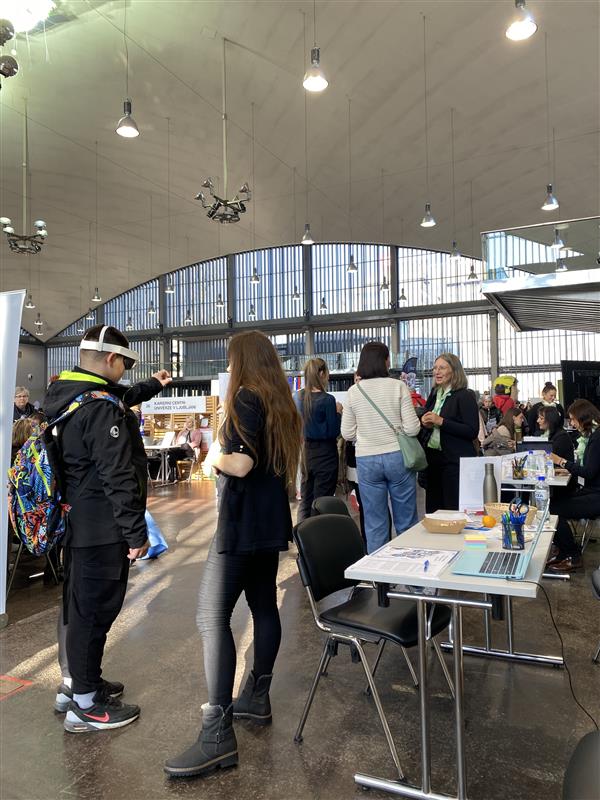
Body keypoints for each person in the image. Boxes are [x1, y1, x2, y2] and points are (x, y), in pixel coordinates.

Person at [164, 331, 302, 778]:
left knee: (211, 617)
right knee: (263, 605)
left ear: (242, 361)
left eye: (230, 359)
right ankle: (257, 697)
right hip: (269, 522)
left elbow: (240, 464)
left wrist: (213, 459)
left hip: (242, 525)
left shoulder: (245, 397)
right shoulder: (280, 402)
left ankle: (217, 735)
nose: (228, 365)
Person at [44, 324, 171, 733]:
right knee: (94, 612)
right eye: (125, 365)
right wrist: (136, 534)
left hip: (80, 522)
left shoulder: (70, 394)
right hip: (103, 527)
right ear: (112, 359)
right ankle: (85, 705)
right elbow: (117, 474)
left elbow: (117, 397)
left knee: (82, 608)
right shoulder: (100, 409)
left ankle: (82, 684)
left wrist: (151, 386)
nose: (125, 374)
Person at [340, 342, 420, 554]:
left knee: (375, 524)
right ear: (385, 361)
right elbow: (413, 428)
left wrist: (366, 436)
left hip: (367, 460)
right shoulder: (398, 386)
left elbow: (347, 433)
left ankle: (379, 572)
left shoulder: (354, 391)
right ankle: (410, 571)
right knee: (406, 521)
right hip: (398, 457)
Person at [421, 353, 480, 513]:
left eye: (442, 368)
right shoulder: (434, 394)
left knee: (452, 510)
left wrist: (441, 421)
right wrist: (424, 421)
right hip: (433, 460)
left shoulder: (465, 396)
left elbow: (472, 430)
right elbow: (427, 417)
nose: (437, 372)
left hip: (454, 462)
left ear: (454, 371)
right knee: (434, 511)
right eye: (435, 368)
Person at [545, 399, 600, 573]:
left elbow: (589, 472)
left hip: (596, 496)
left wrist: (562, 462)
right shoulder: (594, 436)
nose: (572, 424)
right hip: (592, 490)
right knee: (554, 503)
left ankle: (572, 555)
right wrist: (568, 468)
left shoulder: (597, 438)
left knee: (551, 510)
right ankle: (564, 552)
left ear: (583, 418)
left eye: (573, 419)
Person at [294, 358, 342, 522]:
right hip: (326, 455)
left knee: (306, 500)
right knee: (321, 502)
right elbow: (333, 432)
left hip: (306, 453)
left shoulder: (298, 396)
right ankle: (317, 534)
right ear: (321, 373)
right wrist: (338, 413)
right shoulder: (327, 400)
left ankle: (301, 534)